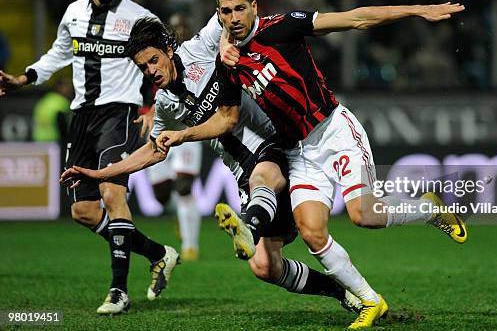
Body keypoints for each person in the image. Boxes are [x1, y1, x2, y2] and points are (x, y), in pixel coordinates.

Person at [154, 0, 467, 329]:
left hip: (333, 130)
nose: (234, 18)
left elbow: (354, 18)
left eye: (241, 9)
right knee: (312, 232)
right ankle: (370, 300)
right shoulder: (228, 65)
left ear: (254, 7)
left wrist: (417, 9)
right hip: (297, 151)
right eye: (227, 12)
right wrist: (183, 134)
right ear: (220, 16)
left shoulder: (284, 27)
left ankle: (429, 209)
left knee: (364, 215)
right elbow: (226, 120)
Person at [61, 16, 363, 313]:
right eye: (143, 67)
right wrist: (98, 174)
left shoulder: (201, 46)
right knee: (264, 267)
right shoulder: (165, 103)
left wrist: (224, 38)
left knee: (264, 177)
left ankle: (249, 225)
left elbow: (229, 14)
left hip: (271, 142)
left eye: (153, 60)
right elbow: (153, 152)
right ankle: (340, 291)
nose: (150, 70)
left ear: (168, 49)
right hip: (240, 170)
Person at [0, 0, 179, 315]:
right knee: (82, 211)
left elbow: (168, 59)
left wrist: (153, 105)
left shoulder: (140, 18)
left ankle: (118, 291)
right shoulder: (73, 13)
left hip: (120, 114)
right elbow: (58, 54)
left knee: (114, 196)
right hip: (82, 116)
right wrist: (24, 77)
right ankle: (158, 253)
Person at [145, 13, 202, 261]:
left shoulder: (197, 57)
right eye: (174, 27)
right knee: (161, 195)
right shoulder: (153, 62)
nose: (178, 31)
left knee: (184, 186)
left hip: (186, 131)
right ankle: (180, 215)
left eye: (182, 27)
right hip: (158, 130)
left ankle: (191, 246)